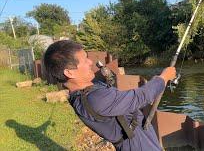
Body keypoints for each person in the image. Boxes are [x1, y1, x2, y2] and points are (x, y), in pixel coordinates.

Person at [43, 40, 176, 151]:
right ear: (70, 73)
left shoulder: (82, 92)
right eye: (84, 60)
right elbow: (140, 97)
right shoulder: (95, 99)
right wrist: (164, 77)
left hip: (137, 137)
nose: (90, 62)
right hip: (136, 144)